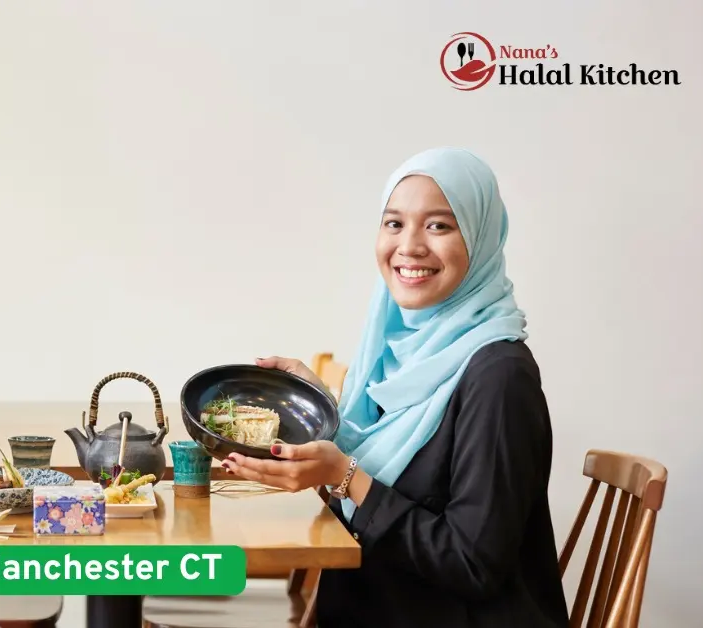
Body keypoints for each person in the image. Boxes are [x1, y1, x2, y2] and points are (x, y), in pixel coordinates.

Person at [224, 147, 570, 627]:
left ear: (482, 238)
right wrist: (326, 415)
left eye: (439, 225)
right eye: (394, 223)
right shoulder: (399, 358)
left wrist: (346, 475)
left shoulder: (500, 377)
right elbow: (395, 484)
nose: (409, 246)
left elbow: (473, 564)